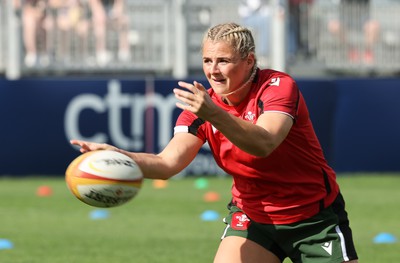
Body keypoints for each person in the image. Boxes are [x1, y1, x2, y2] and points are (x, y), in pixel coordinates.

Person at [71, 22, 358, 263]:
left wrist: (214, 113)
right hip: (252, 217)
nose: (213, 70)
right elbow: (167, 163)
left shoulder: (278, 87)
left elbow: (264, 143)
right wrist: (120, 156)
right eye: (208, 61)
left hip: (313, 217)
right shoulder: (201, 109)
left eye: (223, 60)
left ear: (249, 61)